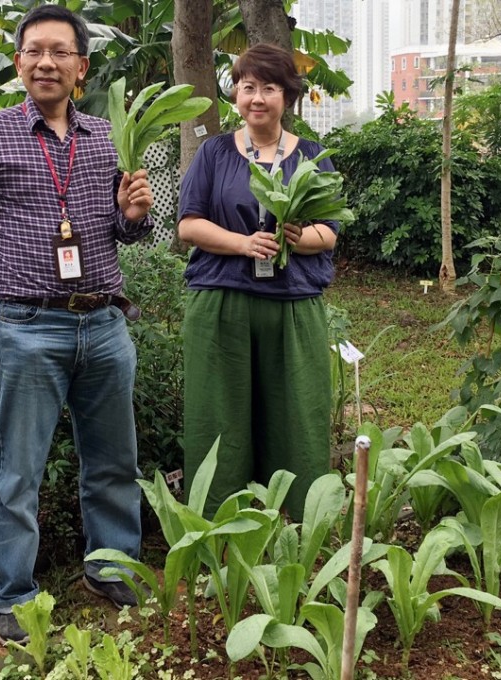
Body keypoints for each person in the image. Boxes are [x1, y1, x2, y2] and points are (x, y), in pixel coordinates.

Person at [0, 4, 153, 645]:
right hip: (28, 326)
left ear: (81, 67)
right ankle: (13, 594)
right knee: (17, 471)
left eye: (60, 52)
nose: (46, 62)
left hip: (104, 323)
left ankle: (110, 567)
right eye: (34, 51)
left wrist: (133, 214)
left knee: (114, 460)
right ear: (18, 62)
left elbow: (125, 235)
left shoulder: (104, 138)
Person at [177, 43, 338, 521]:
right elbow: (188, 226)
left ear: (287, 96)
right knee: (219, 418)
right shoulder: (213, 153)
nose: (258, 98)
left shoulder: (311, 157)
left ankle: (299, 524)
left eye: (269, 87)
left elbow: (329, 231)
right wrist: (243, 243)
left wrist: (299, 237)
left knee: (297, 417)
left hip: (292, 304)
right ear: (236, 94)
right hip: (222, 303)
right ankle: (220, 526)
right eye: (248, 87)